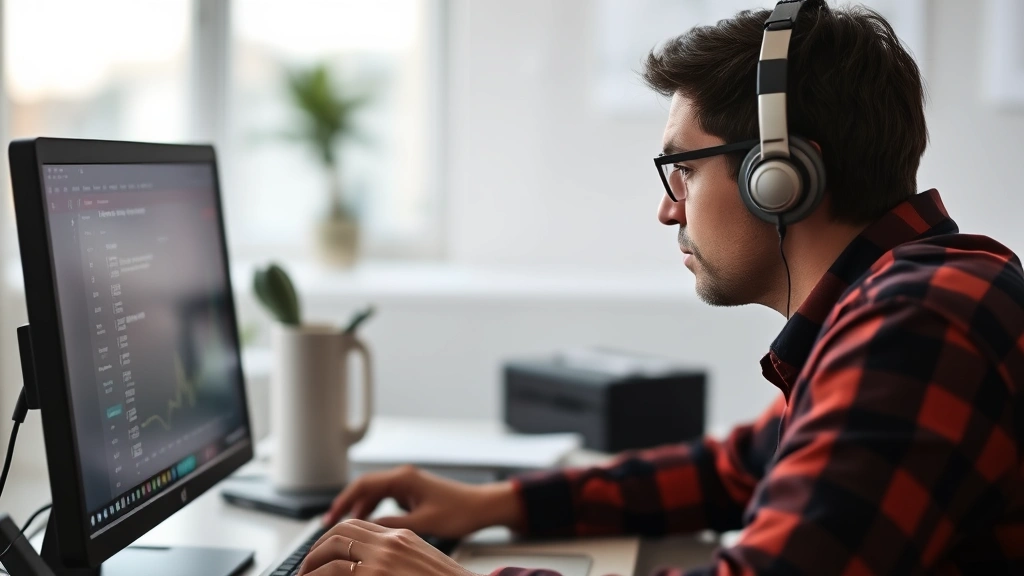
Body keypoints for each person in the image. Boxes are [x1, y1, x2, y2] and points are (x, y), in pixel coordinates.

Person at [296, 1, 1024, 574]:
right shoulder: (906, 297)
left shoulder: (922, 320)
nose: (667, 207)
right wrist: (496, 502)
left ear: (782, 177)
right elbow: (737, 469)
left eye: (685, 169)